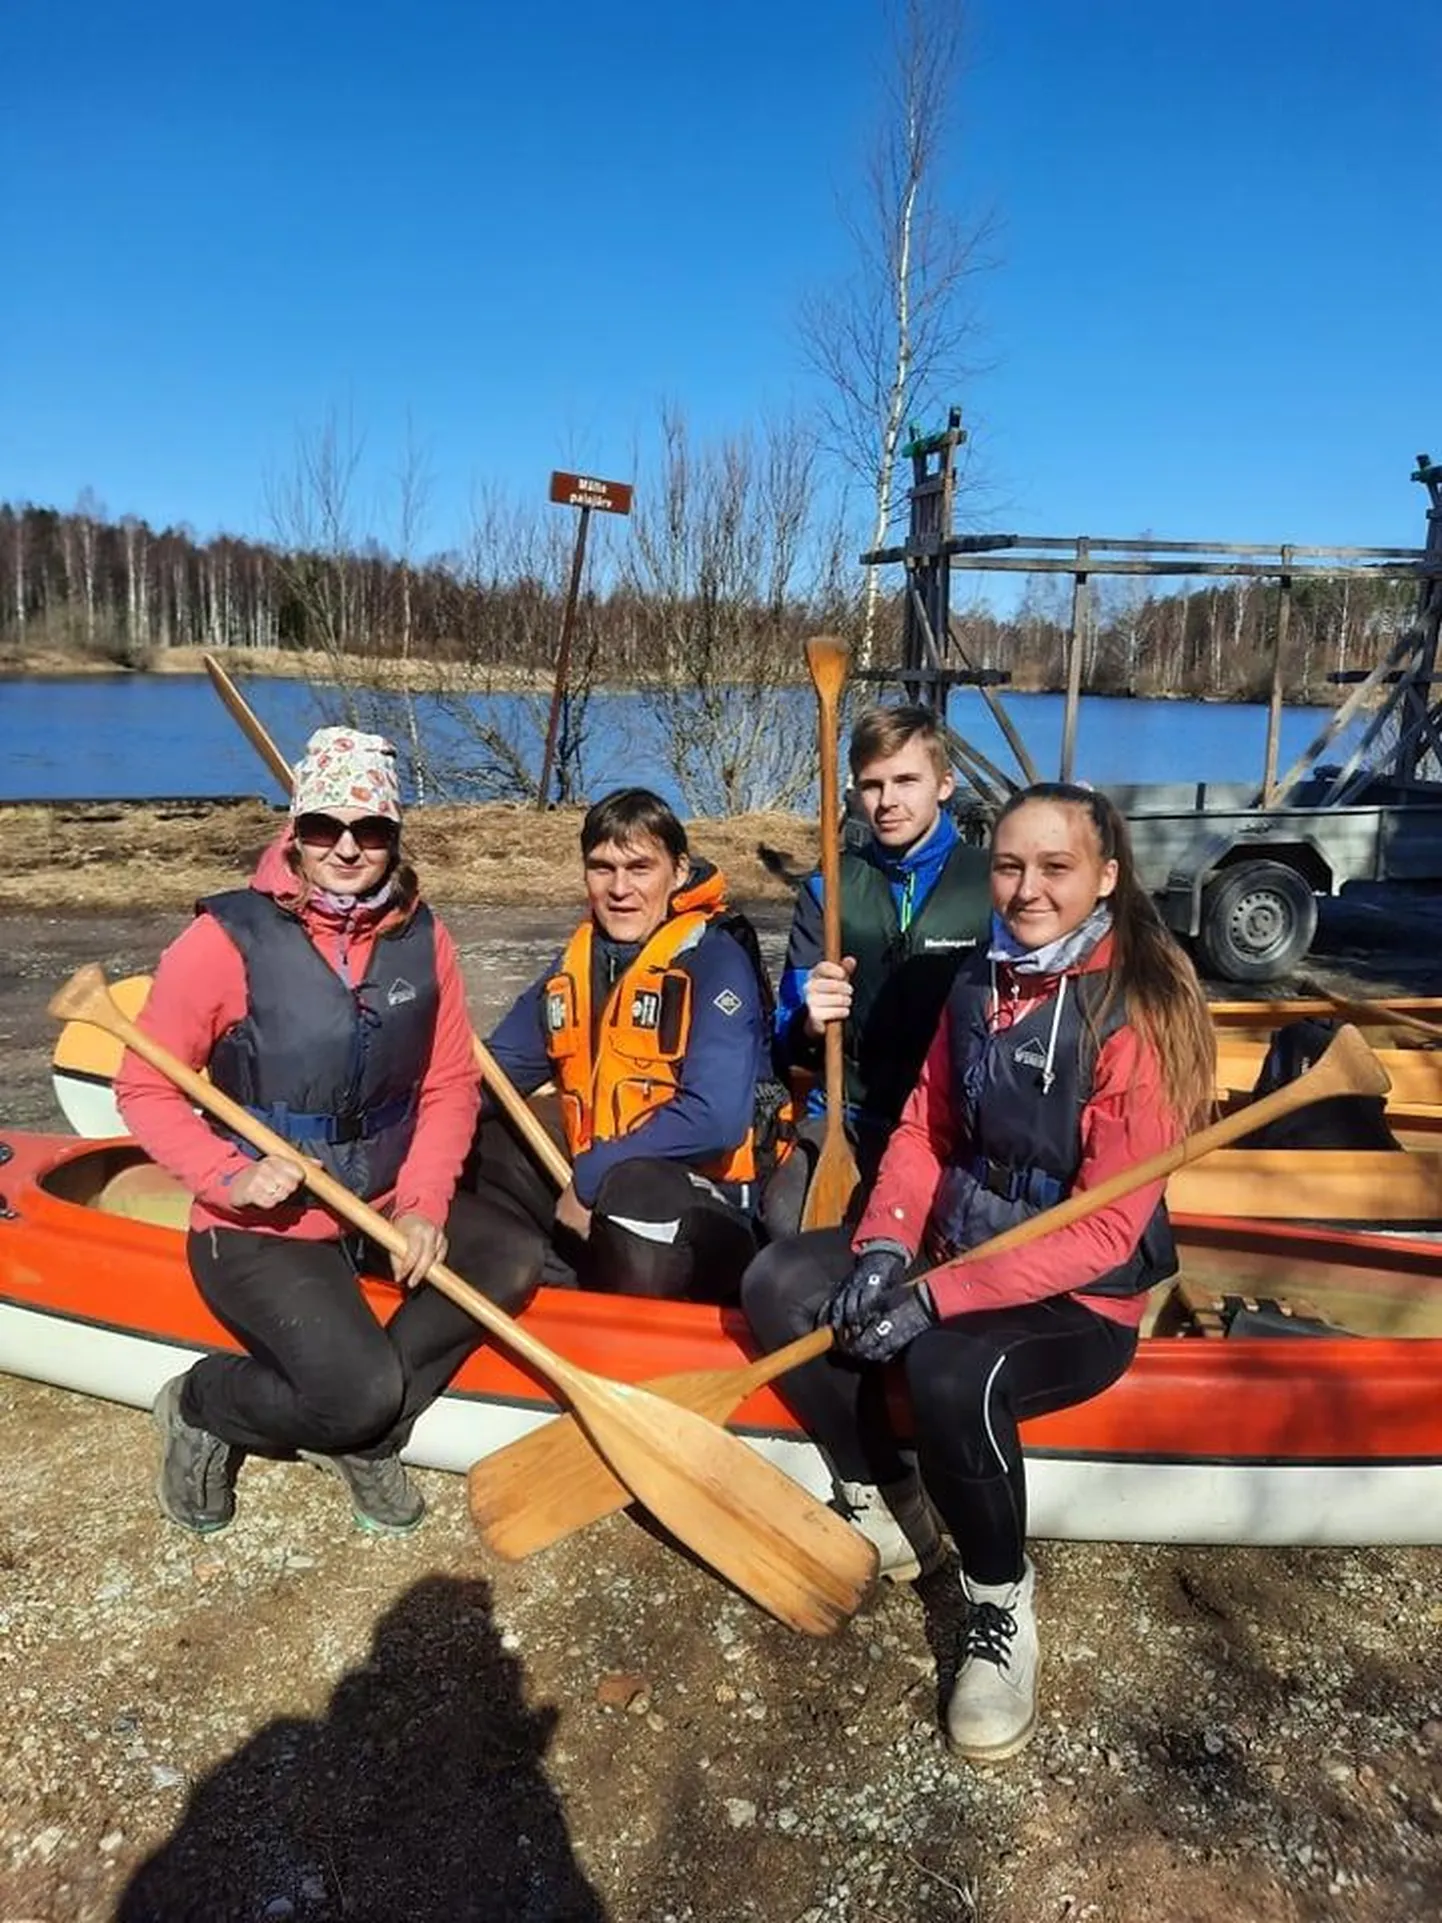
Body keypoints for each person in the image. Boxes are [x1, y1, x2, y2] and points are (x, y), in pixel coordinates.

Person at [742, 782, 1215, 1762]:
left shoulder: (1144, 1006)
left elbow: (1101, 1230)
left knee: (953, 1369)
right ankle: (892, 1504)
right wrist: (882, 1247)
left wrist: (931, 1297)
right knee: (781, 1284)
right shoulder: (983, 979)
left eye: (1054, 867)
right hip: (953, 1243)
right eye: (1008, 865)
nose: (1026, 889)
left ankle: (999, 1605)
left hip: (1079, 1294)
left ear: (1105, 877)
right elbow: (924, 1129)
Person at [116, 727, 521, 1537]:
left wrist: (426, 1205)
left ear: (393, 838)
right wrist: (230, 1175)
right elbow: (145, 1085)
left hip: (376, 1195)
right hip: (262, 1224)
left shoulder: (421, 937)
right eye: (323, 827)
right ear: (294, 833)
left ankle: (362, 1434)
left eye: (369, 830)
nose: (346, 847)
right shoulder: (224, 940)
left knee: (507, 1257)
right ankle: (204, 1405)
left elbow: (447, 1084)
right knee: (355, 1390)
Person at [466, 786, 770, 1304]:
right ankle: (541, 1281)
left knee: (635, 1193)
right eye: (602, 868)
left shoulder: (715, 960)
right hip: (597, 1190)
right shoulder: (575, 967)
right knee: (476, 1138)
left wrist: (591, 1176)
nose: (619, 889)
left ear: (677, 872)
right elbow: (491, 1078)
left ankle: (627, 1322)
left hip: (703, 1205)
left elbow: (715, 1119)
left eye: (639, 868)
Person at [766, 704, 992, 1233]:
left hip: (954, 1126)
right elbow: (786, 1040)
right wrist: (809, 1023)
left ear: (944, 784)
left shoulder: (993, 883)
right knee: (783, 1220)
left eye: (906, 781)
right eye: (872, 785)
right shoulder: (830, 888)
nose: (888, 801)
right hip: (848, 1115)